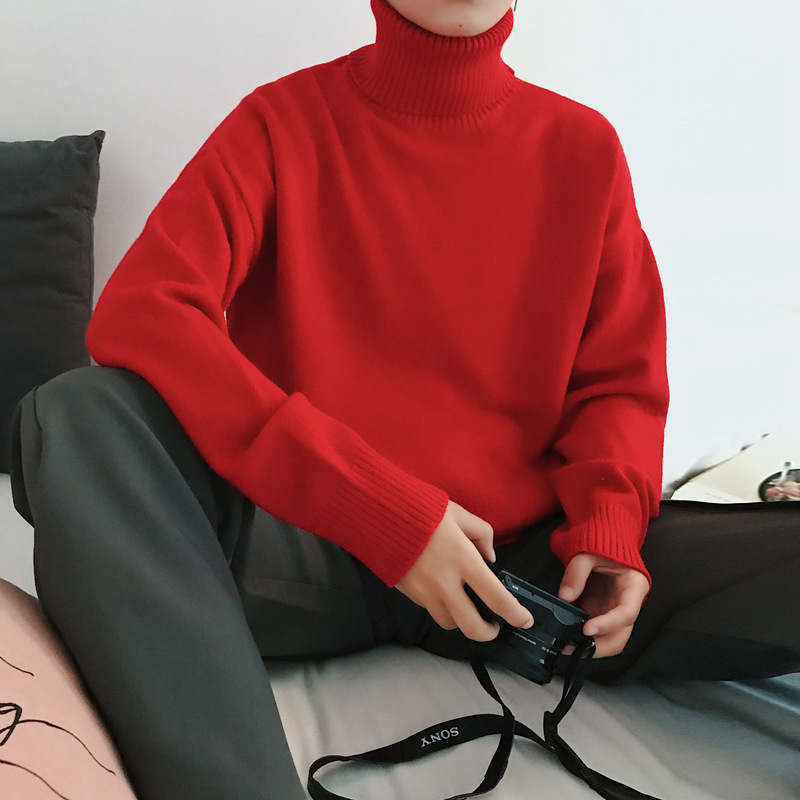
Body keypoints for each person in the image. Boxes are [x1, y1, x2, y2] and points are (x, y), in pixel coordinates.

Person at [9, 1, 799, 799]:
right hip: (305, 554)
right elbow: (144, 311)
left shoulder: (583, 148)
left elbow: (619, 379)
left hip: (521, 579)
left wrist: (610, 526)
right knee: (74, 415)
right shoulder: (281, 123)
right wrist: (382, 514)